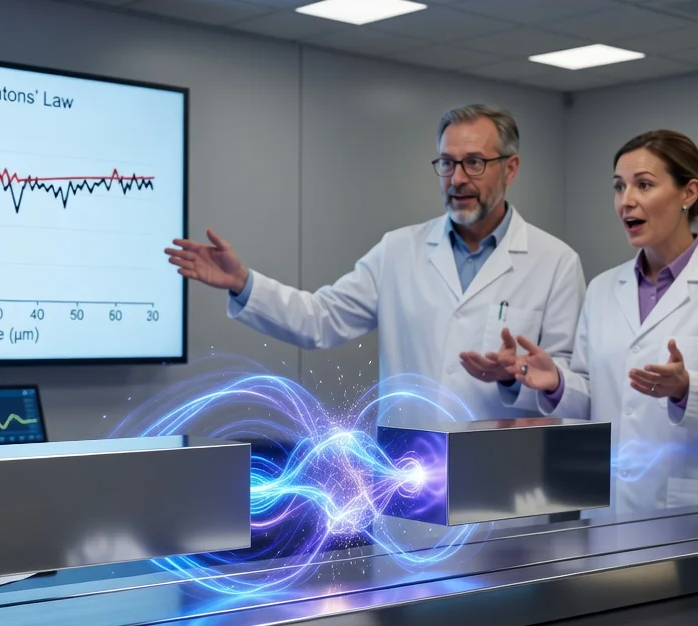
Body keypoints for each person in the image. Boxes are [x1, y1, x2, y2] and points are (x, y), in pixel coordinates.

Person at [166, 104, 586, 424]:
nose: (457, 178)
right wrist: (243, 283)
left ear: (510, 168)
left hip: (504, 482)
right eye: (446, 162)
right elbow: (321, 320)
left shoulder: (555, 263)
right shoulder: (398, 249)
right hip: (410, 476)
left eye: (474, 163)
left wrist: (516, 376)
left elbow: (567, 389)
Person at [499, 129, 698, 510]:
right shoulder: (603, 288)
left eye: (644, 185)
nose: (626, 201)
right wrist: (556, 383)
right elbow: (594, 395)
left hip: (691, 512)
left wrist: (689, 389)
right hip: (607, 505)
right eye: (619, 187)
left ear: (689, 193)